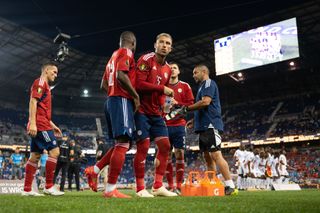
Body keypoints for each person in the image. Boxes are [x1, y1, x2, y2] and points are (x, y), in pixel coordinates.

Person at [85, 31, 139, 198]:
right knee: (124, 143)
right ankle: (110, 190)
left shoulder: (113, 56)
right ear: (133, 42)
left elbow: (103, 84)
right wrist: (134, 96)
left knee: (122, 144)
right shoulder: (127, 52)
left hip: (111, 100)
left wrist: (113, 93)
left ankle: (94, 170)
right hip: (121, 100)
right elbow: (120, 75)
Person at [133, 33, 177, 197]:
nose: (164, 45)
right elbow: (138, 84)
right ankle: (140, 188)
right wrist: (162, 90)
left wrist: (167, 103)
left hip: (156, 113)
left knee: (165, 146)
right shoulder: (146, 59)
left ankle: (158, 186)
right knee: (143, 147)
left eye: (168, 43)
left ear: (171, 48)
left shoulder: (167, 69)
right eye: (161, 42)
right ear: (155, 45)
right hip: (142, 111)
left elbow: (162, 94)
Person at [185, 64, 238, 195]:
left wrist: (187, 108)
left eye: (195, 72)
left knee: (215, 154)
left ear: (204, 71)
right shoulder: (201, 87)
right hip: (202, 126)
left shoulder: (208, 83)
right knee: (207, 157)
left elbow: (205, 102)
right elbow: (203, 107)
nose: (193, 75)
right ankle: (211, 183)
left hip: (211, 125)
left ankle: (230, 185)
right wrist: (194, 120)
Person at [22, 62, 64, 196]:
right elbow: (33, 102)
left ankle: (27, 190)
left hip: (43, 123)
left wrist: (53, 125)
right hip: (40, 125)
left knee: (35, 156)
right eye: (54, 72)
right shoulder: (40, 83)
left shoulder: (45, 86)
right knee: (55, 151)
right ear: (46, 70)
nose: (55, 75)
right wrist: (33, 123)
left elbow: (42, 110)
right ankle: (49, 186)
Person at [164, 62, 194, 194]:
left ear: (179, 71)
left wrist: (177, 104)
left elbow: (191, 104)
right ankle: (171, 186)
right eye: (170, 68)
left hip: (179, 125)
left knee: (180, 153)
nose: (172, 70)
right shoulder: (162, 86)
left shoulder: (185, 86)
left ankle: (179, 185)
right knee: (166, 156)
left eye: (175, 68)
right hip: (164, 124)